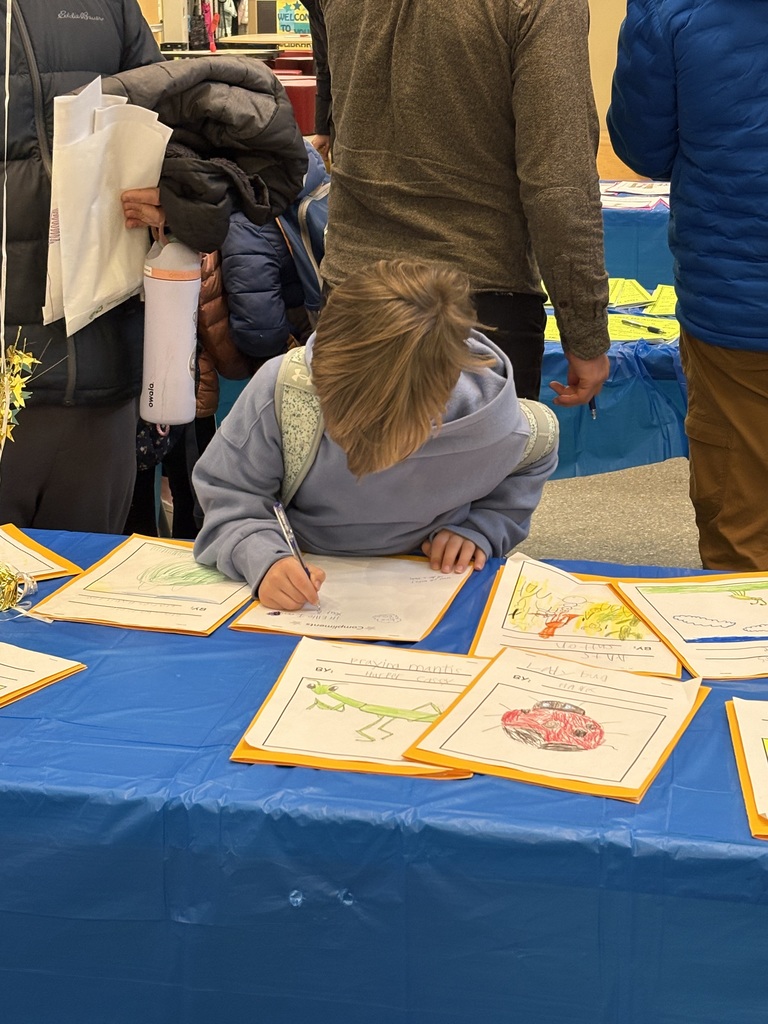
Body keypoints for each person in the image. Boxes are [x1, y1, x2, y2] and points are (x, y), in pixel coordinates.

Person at [192, 259, 559, 610]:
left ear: (439, 402)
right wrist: (261, 557)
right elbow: (230, 492)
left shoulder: (489, 420)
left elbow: (540, 446)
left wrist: (483, 528)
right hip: (301, 575)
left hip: (430, 586)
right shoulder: (287, 391)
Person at [303, 0, 610, 404]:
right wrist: (585, 333)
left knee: (352, 465)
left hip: (357, 292)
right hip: (477, 305)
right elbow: (559, 183)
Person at [608, 0, 768, 571]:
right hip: (737, 292)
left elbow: (644, 147)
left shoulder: (672, 8)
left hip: (738, 296)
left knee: (744, 527)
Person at [0, 0, 163, 532]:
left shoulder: (109, 5)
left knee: (84, 600)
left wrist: (177, 194)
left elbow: (167, 123)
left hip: (101, 373)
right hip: (33, 382)